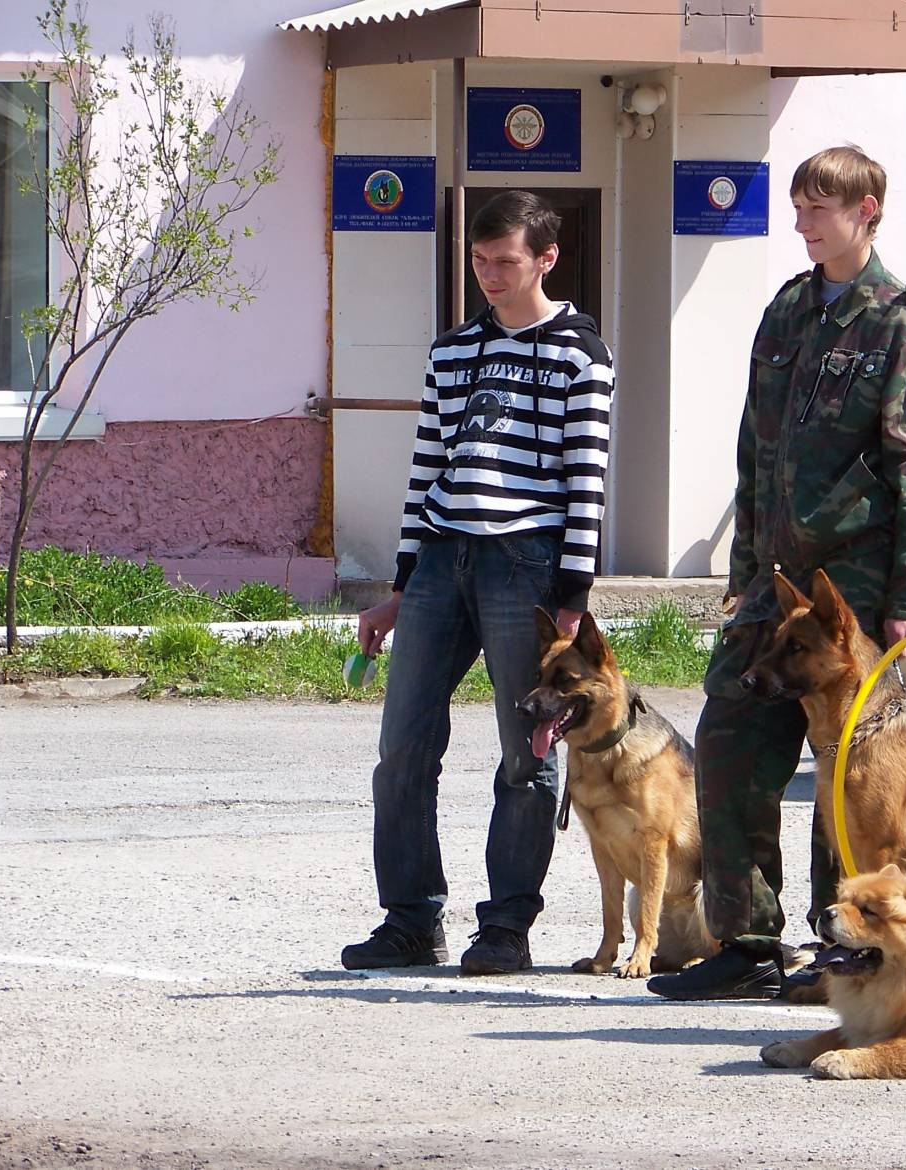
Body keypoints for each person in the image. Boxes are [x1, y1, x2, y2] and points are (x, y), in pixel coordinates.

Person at [647, 146, 906, 1000]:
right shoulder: (787, 310)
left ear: (867, 212)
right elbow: (756, 451)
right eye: (799, 206)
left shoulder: (904, 324)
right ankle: (746, 942)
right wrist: (744, 572)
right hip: (775, 587)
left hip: (853, 589)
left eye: (819, 207)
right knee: (728, 743)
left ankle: (839, 950)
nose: (803, 222)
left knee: (850, 778)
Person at [341, 190, 615, 976]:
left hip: (526, 564)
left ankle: (505, 928)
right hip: (440, 561)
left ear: (546, 259)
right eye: (479, 260)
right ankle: (409, 921)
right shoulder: (452, 351)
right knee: (401, 748)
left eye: (506, 261)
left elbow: (586, 481)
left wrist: (571, 599)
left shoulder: (581, 355)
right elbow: (427, 467)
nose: (490, 275)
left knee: (526, 752)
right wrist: (401, 586)